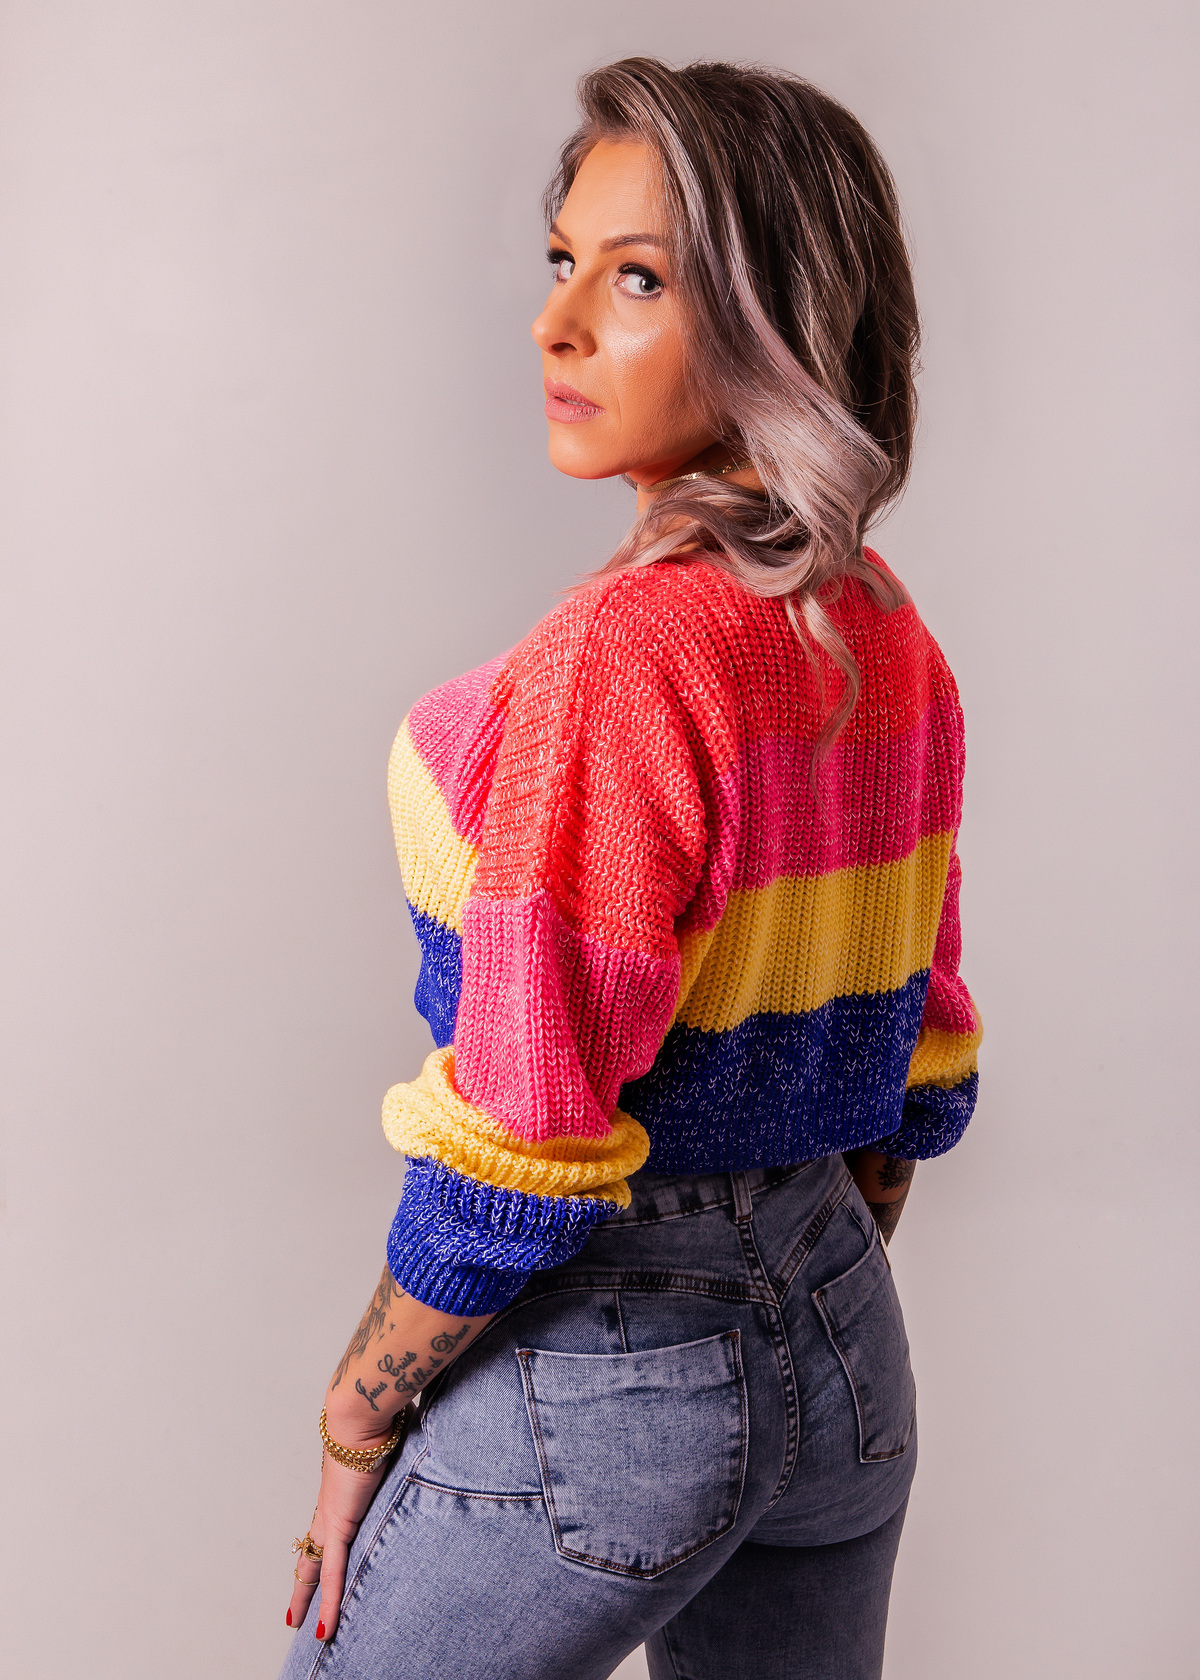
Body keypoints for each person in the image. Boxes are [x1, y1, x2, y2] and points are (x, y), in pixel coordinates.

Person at [279, 56, 981, 1680]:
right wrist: (796, 1290)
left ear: (776, 317)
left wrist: (355, 1414)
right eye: (564, 263)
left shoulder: (628, 653)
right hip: (845, 1344)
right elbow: (920, 1051)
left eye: (640, 278)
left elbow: (524, 1128)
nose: (558, 324)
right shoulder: (883, 629)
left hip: (618, 1359)